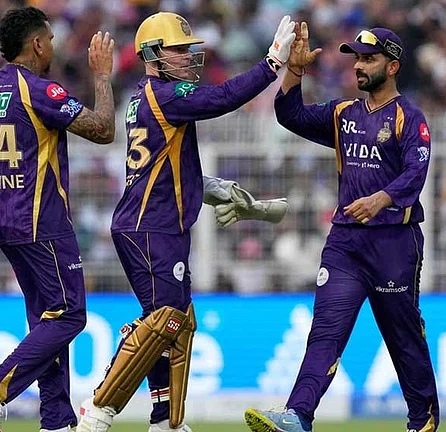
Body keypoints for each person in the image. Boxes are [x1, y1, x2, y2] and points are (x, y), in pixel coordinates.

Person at [77, 11, 296, 432]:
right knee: (165, 319)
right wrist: (272, 62)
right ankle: (100, 406)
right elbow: (221, 99)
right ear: (152, 55)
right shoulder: (164, 94)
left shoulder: (145, 96)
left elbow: (164, 162)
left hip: (154, 222)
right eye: (177, 50)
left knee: (178, 321)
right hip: (151, 226)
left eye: (187, 49)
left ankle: (166, 421)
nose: (186, 57)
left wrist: (207, 187)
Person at [244, 24, 440, 432]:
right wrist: (294, 73)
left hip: (394, 245)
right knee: (325, 333)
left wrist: (381, 199)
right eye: (358, 59)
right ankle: (298, 415)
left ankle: (422, 420)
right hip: (345, 243)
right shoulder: (343, 114)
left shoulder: (409, 116)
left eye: (369, 59)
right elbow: (290, 115)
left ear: (393, 65)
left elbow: (416, 172)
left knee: (404, 339)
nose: (360, 66)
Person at [0, 6, 115, 432]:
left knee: (47, 321)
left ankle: (57, 420)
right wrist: (101, 76)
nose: (53, 48)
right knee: (70, 315)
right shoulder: (39, 90)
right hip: (44, 223)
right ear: (38, 43)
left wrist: (1, 198)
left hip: (7, 225)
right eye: (51, 40)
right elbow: (102, 129)